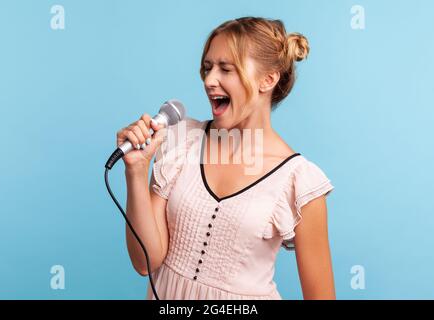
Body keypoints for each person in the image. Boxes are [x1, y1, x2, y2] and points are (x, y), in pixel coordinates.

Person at [116, 16, 335, 300]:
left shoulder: (299, 181)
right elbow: (145, 262)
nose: (209, 80)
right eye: (207, 68)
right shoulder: (181, 141)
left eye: (225, 69)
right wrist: (136, 171)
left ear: (267, 79)